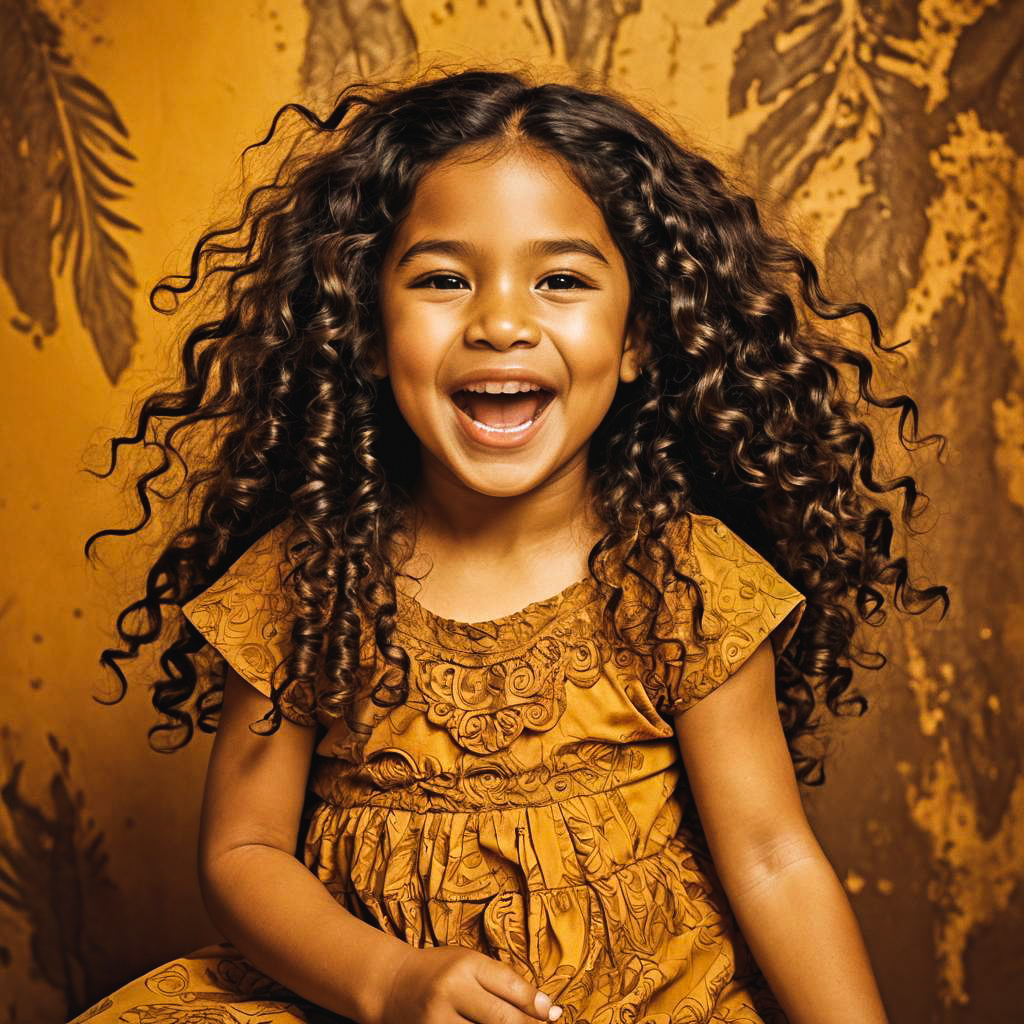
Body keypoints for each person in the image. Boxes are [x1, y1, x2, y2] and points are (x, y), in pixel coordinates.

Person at [75, 67, 948, 1024]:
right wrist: (391, 981)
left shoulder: (681, 579)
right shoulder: (310, 576)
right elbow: (242, 856)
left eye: (561, 280)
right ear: (366, 330)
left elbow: (775, 857)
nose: (500, 322)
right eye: (444, 279)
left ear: (638, 339)